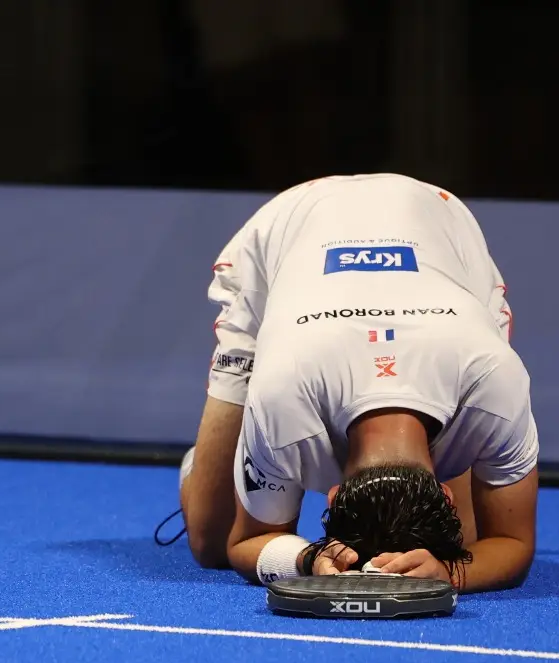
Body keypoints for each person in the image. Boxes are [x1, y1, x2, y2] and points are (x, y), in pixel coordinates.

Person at [176, 173, 539, 593]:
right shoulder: (281, 397)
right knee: (211, 543)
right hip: (287, 228)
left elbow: (512, 543)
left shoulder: (494, 382)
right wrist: (308, 557)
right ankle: (216, 459)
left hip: (437, 229)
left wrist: (449, 572)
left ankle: (249, 462)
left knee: (468, 546)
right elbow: (241, 542)